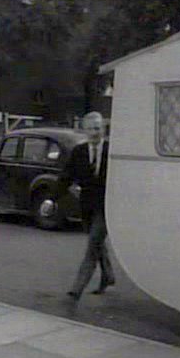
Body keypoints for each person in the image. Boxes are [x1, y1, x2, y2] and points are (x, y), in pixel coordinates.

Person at [66, 111, 115, 300]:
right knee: (97, 244)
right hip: (87, 206)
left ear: (103, 128)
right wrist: (52, 199)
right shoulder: (79, 152)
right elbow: (67, 175)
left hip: (106, 207)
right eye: (91, 129)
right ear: (85, 131)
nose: (95, 132)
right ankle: (108, 276)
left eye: (98, 128)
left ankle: (76, 289)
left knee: (93, 244)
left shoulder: (112, 151)